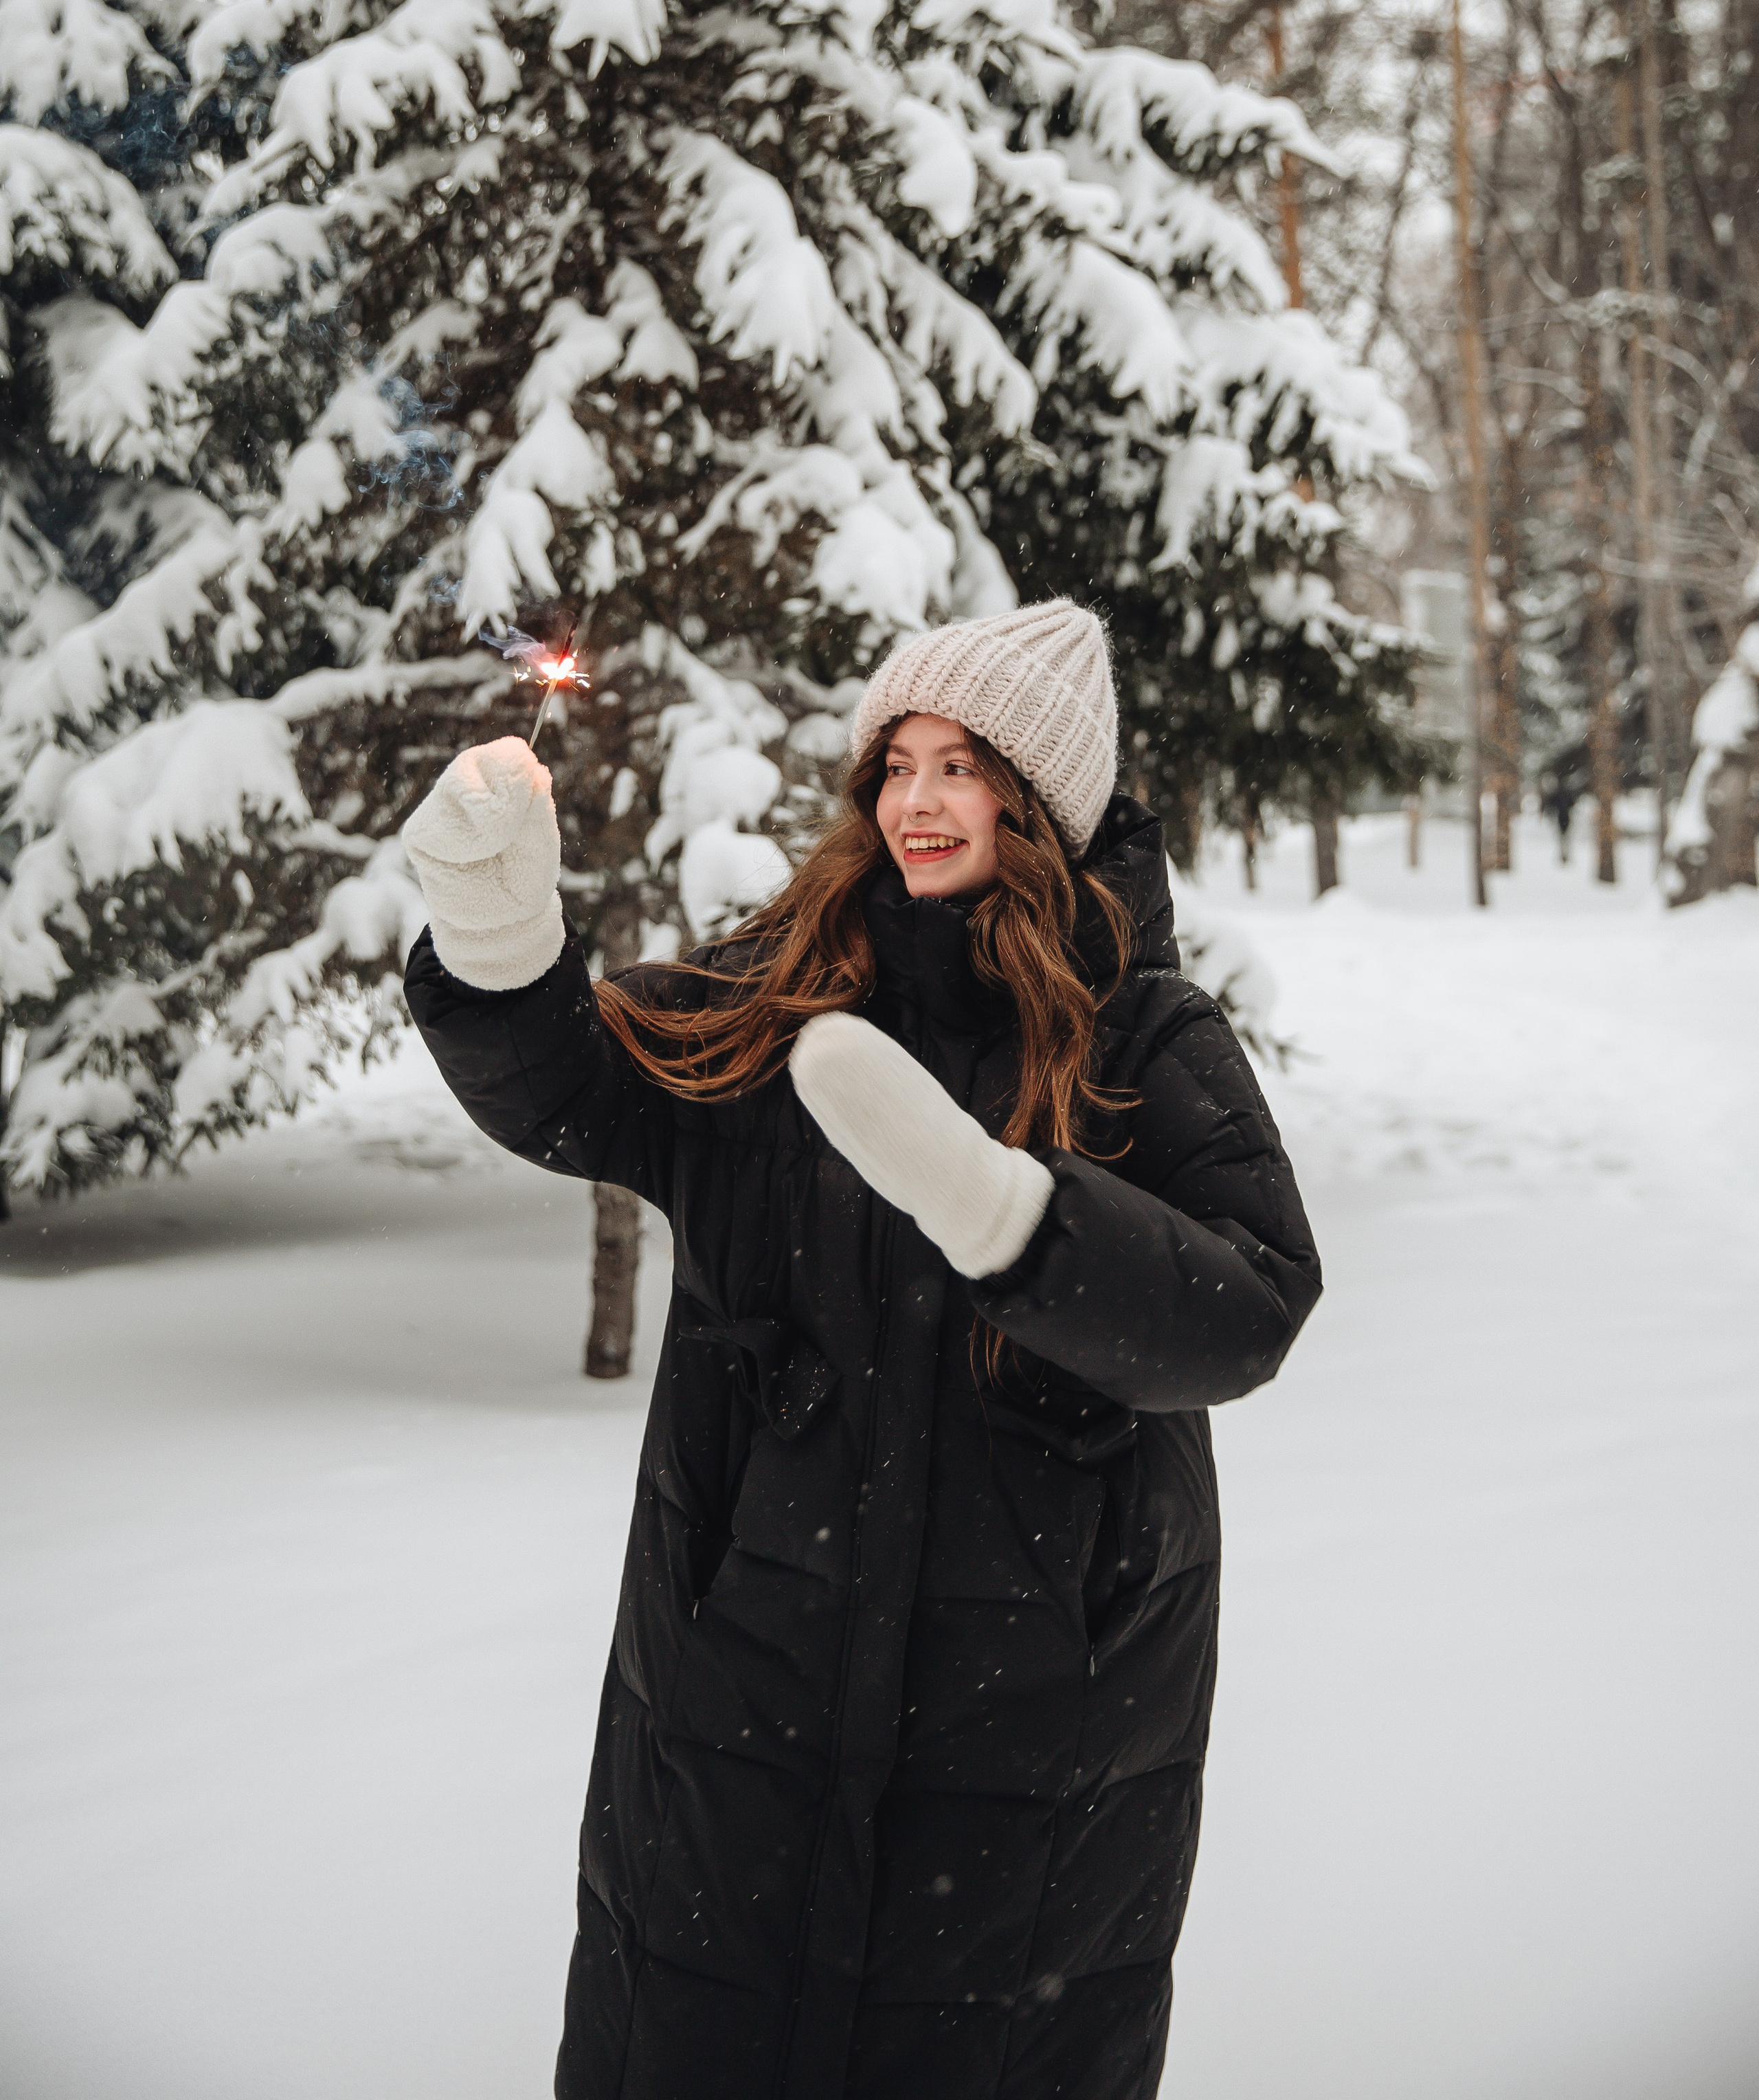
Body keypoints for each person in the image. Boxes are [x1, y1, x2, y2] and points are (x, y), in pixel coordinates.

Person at [402, 598, 1321, 2100]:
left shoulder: (1138, 1038)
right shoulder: (777, 992)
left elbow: (1248, 1304)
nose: (916, 799)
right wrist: (501, 953)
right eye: (894, 762)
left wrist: (1017, 1218)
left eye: (961, 763)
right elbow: (580, 1092)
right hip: (734, 1696)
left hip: (1026, 1737)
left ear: (1039, 802)